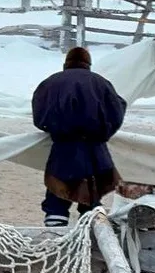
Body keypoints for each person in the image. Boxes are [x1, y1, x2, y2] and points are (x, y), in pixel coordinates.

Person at [31, 47, 127, 227]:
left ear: (66, 63)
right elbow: (117, 110)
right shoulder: (101, 83)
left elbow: (39, 113)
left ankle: (55, 239)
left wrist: (53, 128)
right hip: (95, 149)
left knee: (57, 196)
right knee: (91, 198)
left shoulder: (50, 83)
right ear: (88, 64)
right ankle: (89, 239)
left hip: (63, 147)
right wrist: (104, 133)